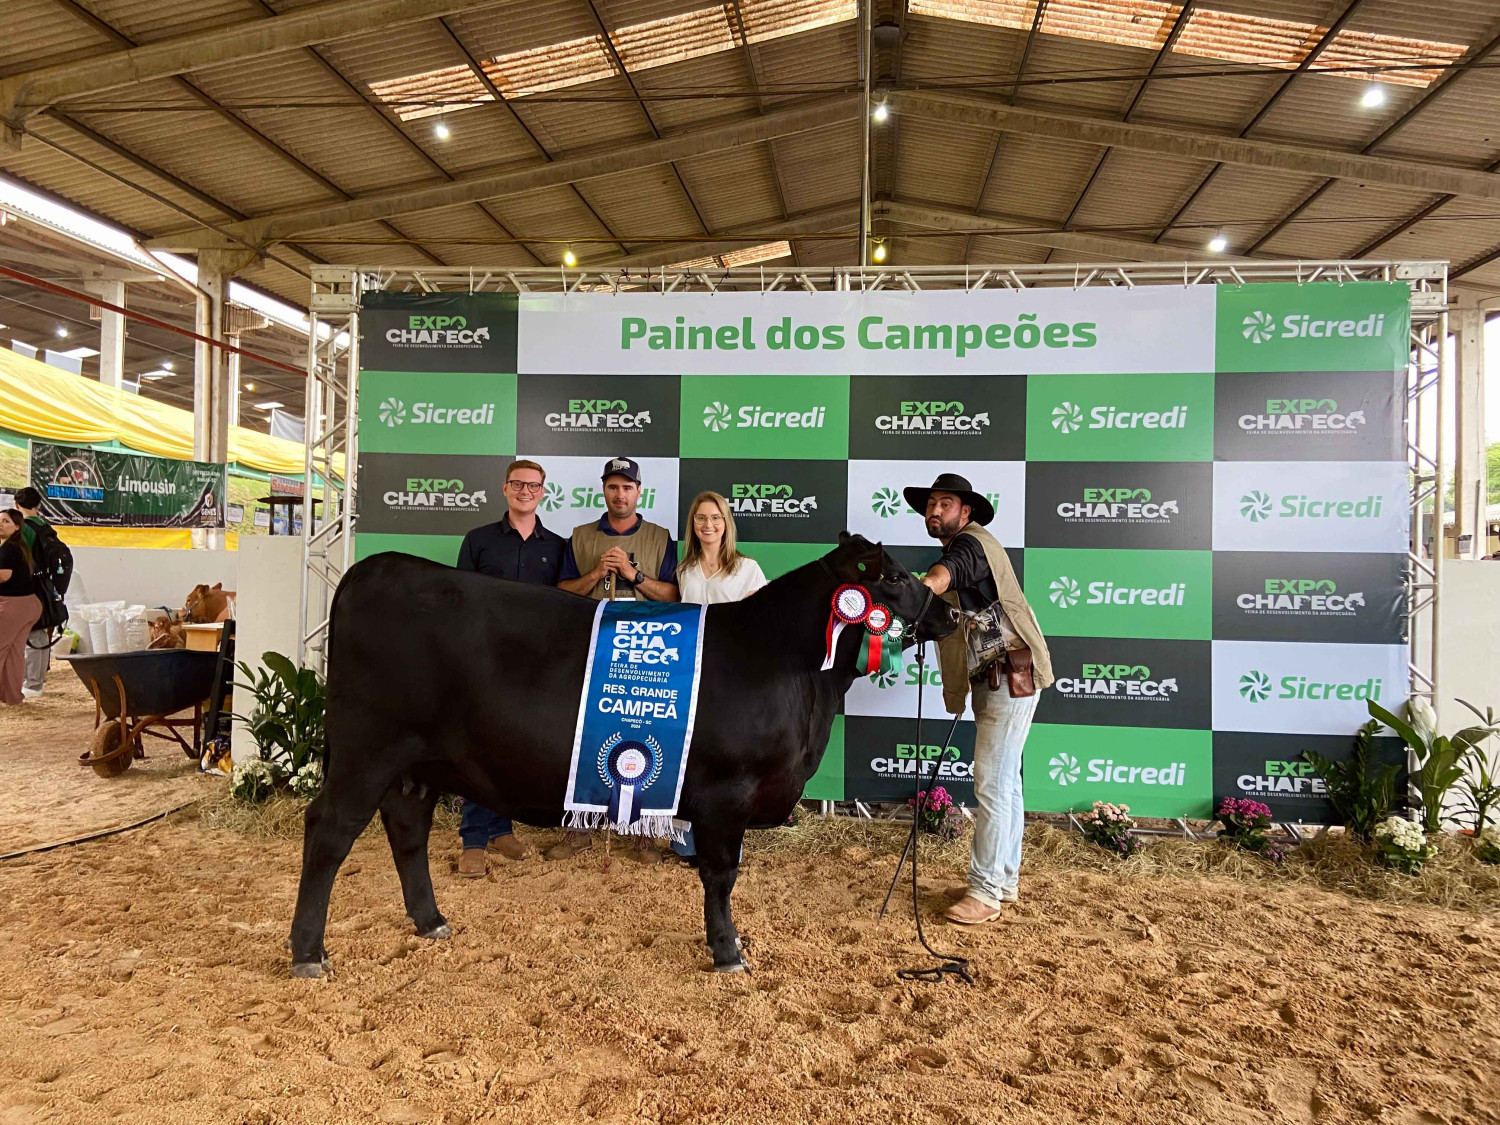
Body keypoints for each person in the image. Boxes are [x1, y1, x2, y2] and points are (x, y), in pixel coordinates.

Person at [904, 473, 1053, 926]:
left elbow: (947, 573)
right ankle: (1002, 880)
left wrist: (920, 588)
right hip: (994, 679)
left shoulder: (972, 544)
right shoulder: (957, 550)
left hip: (1011, 678)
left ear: (965, 512)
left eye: (945, 503)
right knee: (1006, 784)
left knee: (992, 784)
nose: (934, 511)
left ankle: (985, 891)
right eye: (931, 504)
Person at [551, 456, 679, 861]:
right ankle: (580, 828)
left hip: (646, 653)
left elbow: (675, 595)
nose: (619, 494)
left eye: (627, 487)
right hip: (590, 649)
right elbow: (561, 593)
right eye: (613, 486)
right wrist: (595, 574)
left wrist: (633, 575)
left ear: (639, 492)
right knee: (584, 733)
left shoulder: (661, 537)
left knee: (646, 734)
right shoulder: (580, 536)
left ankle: (643, 833)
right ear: (603, 490)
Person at [452, 459, 565, 876]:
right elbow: (460, 600)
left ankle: (501, 830)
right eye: (518, 484)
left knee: (512, 747)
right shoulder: (478, 540)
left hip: (534, 665)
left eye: (533, 486)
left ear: (542, 492)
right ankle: (473, 840)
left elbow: (563, 604)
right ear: (504, 488)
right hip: (485, 659)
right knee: (478, 745)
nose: (525, 491)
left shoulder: (558, 546)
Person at [670, 491, 767, 865]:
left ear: (726, 523)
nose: (708, 525)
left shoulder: (747, 569)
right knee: (689, 756)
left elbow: (760, 624)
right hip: (691, 675)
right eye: (700, 518)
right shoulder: (684, 570)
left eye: (715, 518)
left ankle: (726, 843)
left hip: (732, 678)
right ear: (692, 525)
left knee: (728, 761)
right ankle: (685, 844)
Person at [14, 487, 61, 699]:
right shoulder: (46, 527)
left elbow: (20, 561)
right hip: (45, 586)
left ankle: (32, 684)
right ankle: (37, 680)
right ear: (39, 505)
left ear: (16, 505)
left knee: (30, 635)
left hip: (27, 586)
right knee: (40, 633)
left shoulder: (23, 529)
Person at [0, 509, 43, 706]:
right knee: (13, 653)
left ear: (17, 527)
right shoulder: (19, 547)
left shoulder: (8, 549)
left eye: (6, 521)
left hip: (13, 606)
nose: (1, 524)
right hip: (28, 605)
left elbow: (3, 576)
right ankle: (13, 697)